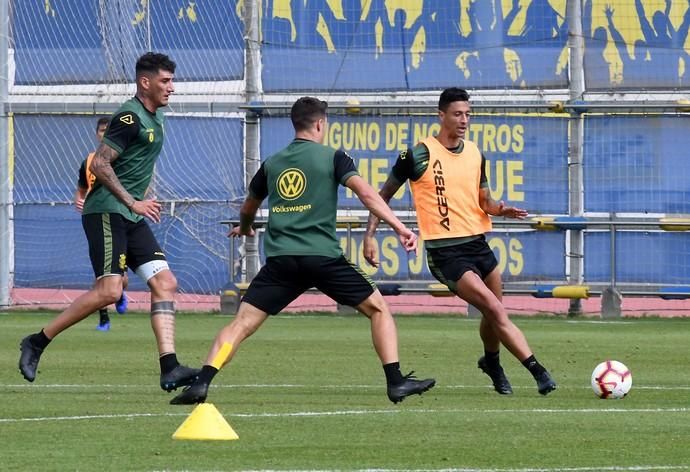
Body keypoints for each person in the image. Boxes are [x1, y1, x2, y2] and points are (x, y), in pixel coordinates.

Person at [170, 97, 436, 405]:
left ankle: (202, 382)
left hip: (281, 261)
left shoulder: (272, 163)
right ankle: (395, 381)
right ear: (321, 123)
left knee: (241, 324)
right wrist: (400, 227)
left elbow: (248, 208)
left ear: (295, 124)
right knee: (378, 309)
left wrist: (244, 228)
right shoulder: (334, 157)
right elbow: (367, 194)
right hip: (322, 257)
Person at [19, 52, 199, 392]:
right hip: (107, 211)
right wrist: (133, 201)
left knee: (166, 284)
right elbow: (101, 164)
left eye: (172, 81)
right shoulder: (130, 118)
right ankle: (36, 341)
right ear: (145, 82)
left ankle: (170, 367)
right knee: (109, 291)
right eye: (165, 81)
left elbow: (134, 167)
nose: (172, 88)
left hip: (130, 214)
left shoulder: (155, 118)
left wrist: (139, 201)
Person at [363, 87, 557, 396]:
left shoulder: (476, 153)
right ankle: (539, 372)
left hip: (478, 244)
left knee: (494, 312)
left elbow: (485, 200)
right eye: (457, 114)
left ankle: (491, 361)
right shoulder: (418, 154)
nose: (464, 120)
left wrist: (499, 209)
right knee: (494, 308)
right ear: (441, 116)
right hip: (446, 252)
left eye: (467, 114)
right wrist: (370, 234)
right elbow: (381, 197)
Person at [74, 116, 129, 331]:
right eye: (101, 131)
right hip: (96, 218)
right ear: (97, 134)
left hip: (120, 219)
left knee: (120, 279)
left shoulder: (121, 159)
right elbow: (80, 189)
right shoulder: (88, 161)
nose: (104, 134)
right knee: (100, 275)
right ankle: (104, 318)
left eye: (108, 130)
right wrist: (78, 200)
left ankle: (121, 292)